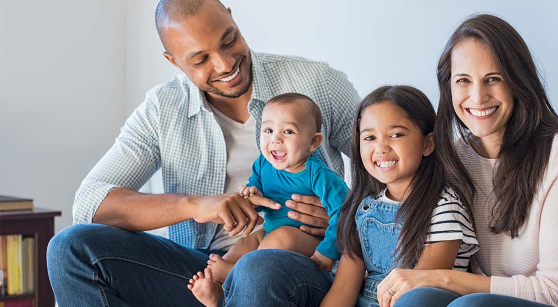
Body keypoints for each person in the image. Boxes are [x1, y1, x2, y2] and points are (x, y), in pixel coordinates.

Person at [46, 0, 359, 305]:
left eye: (229, 40)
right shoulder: (162, 109)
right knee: (70, 247)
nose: (225, 64)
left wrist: (344, 218)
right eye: (200, 60)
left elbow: (390, 173)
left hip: (299, 265)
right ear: (174, 61)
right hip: (206, 273)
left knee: (258, 267)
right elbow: (89, 203)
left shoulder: (317, 83)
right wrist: (194, 205)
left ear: (232, 18)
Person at [371, 14, 558, 307]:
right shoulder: (452, 157)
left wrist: (441, 278)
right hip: (490, 301)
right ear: (448, 87)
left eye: (493, 79)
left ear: (518, 81)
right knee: (417, 299)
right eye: (463, 80)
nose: (477, 97)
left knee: (470, 305)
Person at [319, 85, 479, 307]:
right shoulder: (363, 208)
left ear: (427, 144)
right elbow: (343, 289)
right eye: (370, 137)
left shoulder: (444, 207)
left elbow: (419, 288)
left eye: (396, 135)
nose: (381, 147)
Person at [188, 93, 349, 306]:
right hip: (269, 234)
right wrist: (252, 193)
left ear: (313, 142)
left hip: (307, 241)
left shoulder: (319, 175)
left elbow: (345, 212)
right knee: (248, 241)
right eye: (268, 130)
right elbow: (256, 185)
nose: (275, 139)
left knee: (282, 236)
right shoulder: (264, 163)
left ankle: (232, 273)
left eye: (288, 131)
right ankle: (218, 288)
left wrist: (327, 252)